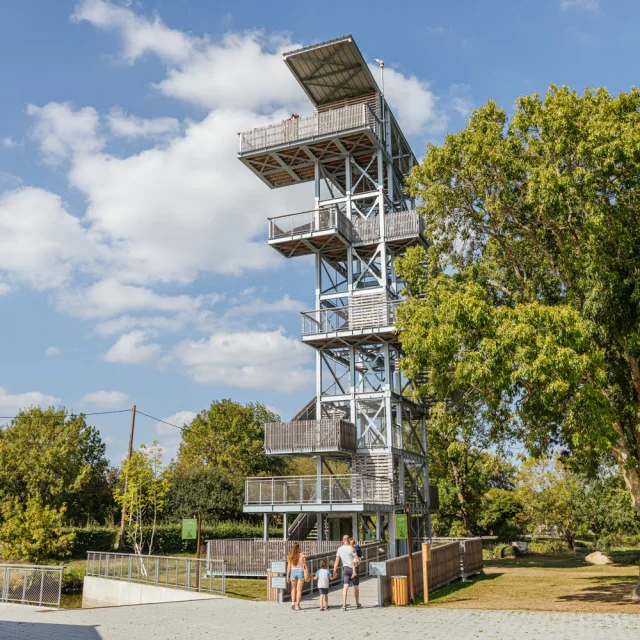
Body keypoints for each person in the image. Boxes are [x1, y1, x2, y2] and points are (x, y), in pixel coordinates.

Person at [333, 534, 361, 610]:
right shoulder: (352, 549)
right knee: (356, 586)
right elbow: (358, 560)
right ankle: (357, 603)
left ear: (343, 540)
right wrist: (358, 562)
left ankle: (344, 605)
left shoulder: (339, 549)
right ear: (348, 540)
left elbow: (336, 561)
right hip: (353, 569)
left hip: (345, 569)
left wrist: (334, 570)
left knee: (345, 587)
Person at [286, 543, 307, 611]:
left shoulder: (290, 555)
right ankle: (297, 605)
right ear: (298, 547)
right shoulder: (301, 554)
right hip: (300, 571)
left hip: (293, 571)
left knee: (293, 588)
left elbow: (289, 566)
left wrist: (287, 576)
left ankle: (292, 603)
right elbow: (304, 564)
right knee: (299, 589)